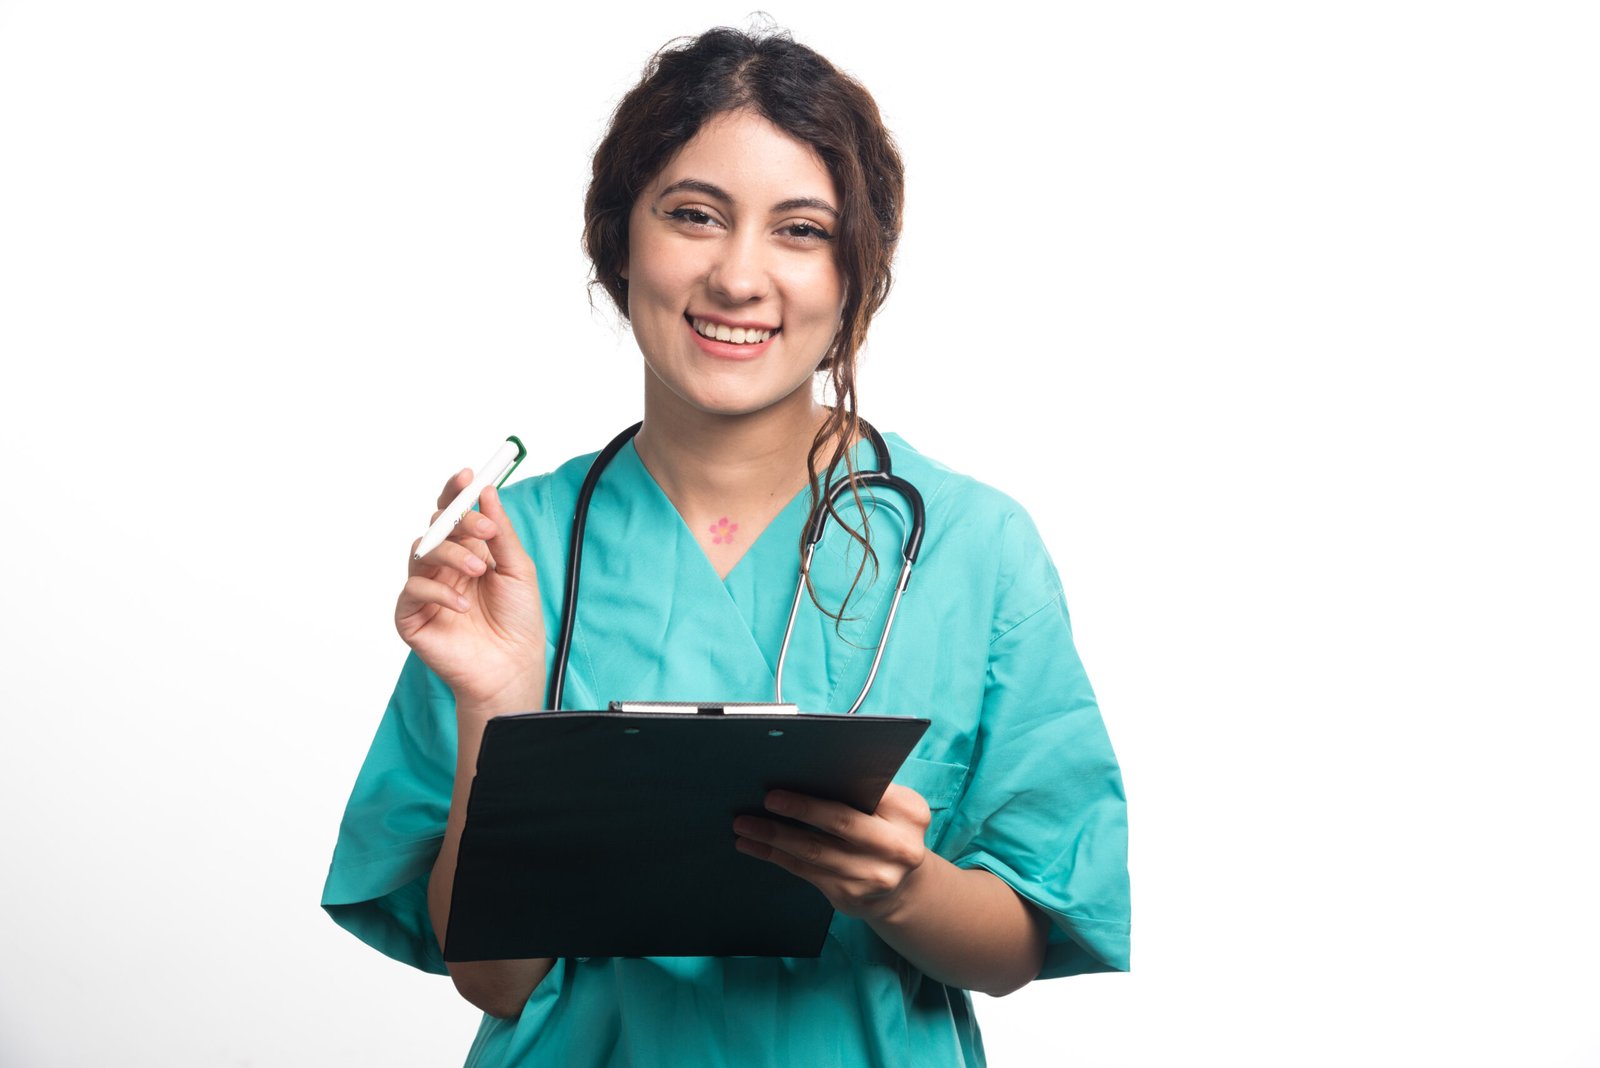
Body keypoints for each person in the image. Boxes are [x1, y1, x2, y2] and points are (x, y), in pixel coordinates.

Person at [322, 25, 1129, 1068]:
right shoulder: (509, 553)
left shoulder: (977, 549)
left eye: (800, 230)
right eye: (694, 216)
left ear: (856, 273)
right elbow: (494, 978)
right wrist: (494, 704)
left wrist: (905, 886)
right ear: (618, 239)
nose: (739, 277)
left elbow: (1019, 939)